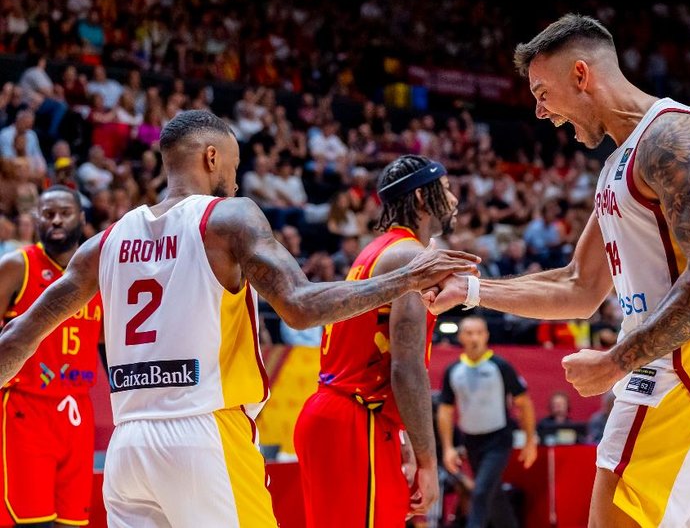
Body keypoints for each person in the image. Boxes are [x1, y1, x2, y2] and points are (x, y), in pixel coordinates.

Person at [0, 110, 479, 527]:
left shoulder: (105, 243)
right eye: (233, 162)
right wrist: (407, 279)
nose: (236, 174)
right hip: (204, 435)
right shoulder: (228, 218)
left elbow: (19, 335)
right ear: (211, 158)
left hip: (129, 448)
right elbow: (301, 304)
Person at [424, 14, 690, 527]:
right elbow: (578, 286)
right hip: (681, 374)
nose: (539, 112)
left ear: (581, 75)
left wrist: (617, 360)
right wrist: (469, 289)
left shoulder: (672, 138)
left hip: (683, 374)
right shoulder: (618, 165)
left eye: (542, 92)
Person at [294, 154, 457, 527]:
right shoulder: (410, 256)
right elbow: (406, 367)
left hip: (340, 416)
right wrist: (429, 461)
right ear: (420, 199)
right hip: (354, 421)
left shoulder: (377, 250)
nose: (454, 199)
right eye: (445, 189)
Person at [0, 186, 103, 527]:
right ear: (36, 220)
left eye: (64, 212)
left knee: (73, 521)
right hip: (26, 409)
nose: (56, 220)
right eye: (47, 214)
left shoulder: (99, 275)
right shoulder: (18, 265)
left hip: (77, 411)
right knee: (33, 522)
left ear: (82, 219)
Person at [437, 315, 537, 528]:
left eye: (479, 333)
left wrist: (530, 440)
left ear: (487, 336)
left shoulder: (500, 366)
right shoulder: (453, 370)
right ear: (461, 336)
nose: (475, 338)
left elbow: (524, 403)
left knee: (481, 491)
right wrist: (447, 448)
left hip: (499, 439)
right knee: (495, 496)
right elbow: (445, 410)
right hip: (471, 441)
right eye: (469, 333)